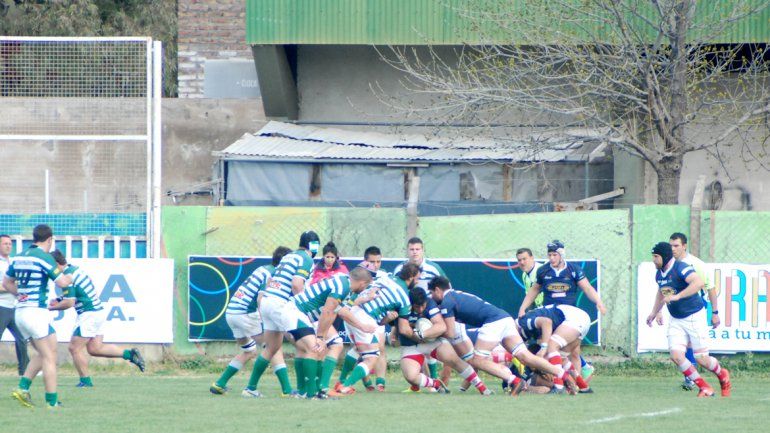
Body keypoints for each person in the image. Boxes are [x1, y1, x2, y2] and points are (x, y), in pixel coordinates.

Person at [428, 276, 572, 396]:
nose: (432, 298)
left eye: (432, 294)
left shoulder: (447, 302)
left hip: (493, 323)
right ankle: (563, 374)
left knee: (477, 360)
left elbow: (451, 332)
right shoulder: (456, 295)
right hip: (504, 318)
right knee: (525, 357)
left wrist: (428, 334)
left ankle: (515, 381)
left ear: (438, 290)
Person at [645, 242, 731, 398]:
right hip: (676, 319)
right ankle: (704, 387)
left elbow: (698, 282)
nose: (653, 260)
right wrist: (654, 312)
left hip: (693, 317)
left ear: (664, 256)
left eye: (656, 256)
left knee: (702, 360)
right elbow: (661, 292)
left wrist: (678, 296)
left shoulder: (680, 267)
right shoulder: (659, 273)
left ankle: (722, 374)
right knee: (676, 356)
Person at [47, 251, 145, 387]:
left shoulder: (66, 276)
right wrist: (58, 299)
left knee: (74, 348)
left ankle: (85, 381)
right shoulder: (73, 269)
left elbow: (69, 303)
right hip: (97, 311)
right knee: (95, 348)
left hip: (89, 314)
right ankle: (130, 354)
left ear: (57, 264)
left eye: (51, 267)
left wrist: (50, 308)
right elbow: (77, 294)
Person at [242, 231, 320, 398]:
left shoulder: (288, 256)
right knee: (309, 346)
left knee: (271, 348)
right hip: (280, 304)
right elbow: (297, 285)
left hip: (267, 302)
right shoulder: (306, 259)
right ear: (314, 246)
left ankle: (250, 388)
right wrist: (303, 308)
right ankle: (306, 391)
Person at [2, 224, 73, 408]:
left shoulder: (18, 257)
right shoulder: (44, 257)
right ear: (49, 239)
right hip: (36, 312)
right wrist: (70, 274)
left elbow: (7, 282)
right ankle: (52, 402)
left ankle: (23, 388)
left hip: (21, 312)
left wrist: (20, 294)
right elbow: (63, 281)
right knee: (49, 357)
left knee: (49, 349)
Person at [209, 246, 294, 397]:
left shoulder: (263, 268)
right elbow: (260, 298)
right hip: (245, 313)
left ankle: (219, 384)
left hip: (232, 313)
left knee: (249, 351)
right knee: (273, 347)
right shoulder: (273, 274)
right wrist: (267, 318)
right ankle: (285, 390)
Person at [287, 267, 373, 398]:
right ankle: (314, 391)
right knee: (316, 348)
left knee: (330, 345)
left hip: (303, 314)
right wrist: (320, 337)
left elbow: (338, 311)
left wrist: (362, 327)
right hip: (297, 312)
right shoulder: (343, 286)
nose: (365, 289)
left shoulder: (345, 284)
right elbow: (328, 310)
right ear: (362, 283)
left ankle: (313, 389)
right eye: (366, 286)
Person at [336, 263, 419, 396]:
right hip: (365, 317)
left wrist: (386, 318)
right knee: (372, 357)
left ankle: (340, 381)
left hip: (352, 311)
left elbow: (380, 320)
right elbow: (403, 329)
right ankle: (346, 386)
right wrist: (419, 337)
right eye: (418, 278)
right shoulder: (405, 299)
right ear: (411, 277)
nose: (418, 281)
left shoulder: (386, 277)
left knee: (358, 349)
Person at [399, 287, 491, 395]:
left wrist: (422, 334)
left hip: (431, 342)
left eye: (422, 306)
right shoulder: (403, 306)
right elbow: (403, 329)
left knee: (454, 360)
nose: (420, 310)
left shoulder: (430, 303)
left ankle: (482, 388)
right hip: (411, 346)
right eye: (416, 307)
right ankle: (436, 384)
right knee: (411, 377)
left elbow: (441, 326)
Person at [664, 232, 720, 391]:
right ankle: (690, 378)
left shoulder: (696, 264)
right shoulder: (669, 264)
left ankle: (707, 375)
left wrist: (715, 313)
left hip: (695, 306)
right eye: (671, 246)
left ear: (684, 246)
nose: (673, 249)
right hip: (677, 308)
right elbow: (664, 286)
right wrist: (661, 309)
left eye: (676, 246)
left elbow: (710, 288)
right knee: (679, 347)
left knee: (695, 349)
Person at [393, 237, 445, 379]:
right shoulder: (399, 269)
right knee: (413, 343)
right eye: (412, 249)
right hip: (408, 310)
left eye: (417, 249)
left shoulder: (433, 268)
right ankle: (422, 380)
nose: (415, 252)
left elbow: (445, 288)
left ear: (422, 250)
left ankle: (433, 379)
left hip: (428, 310)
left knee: (429, 342)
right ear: (407, 251)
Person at [516, 304, 593, 393]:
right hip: (580, 320)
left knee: (551, 347)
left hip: (574, 319)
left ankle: (559, 386)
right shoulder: (523, 333)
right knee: (560, 358)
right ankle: (583, 387)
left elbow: (547, 322)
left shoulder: (523, 322)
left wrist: (543, 349)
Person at [0, 234, 29, 376]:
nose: (8, 246)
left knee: (22, 338)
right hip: (1, 306)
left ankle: (24, 370)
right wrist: (10, 287)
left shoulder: (12, 262)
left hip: (13, 307)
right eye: (5, 243)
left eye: (10, 244)